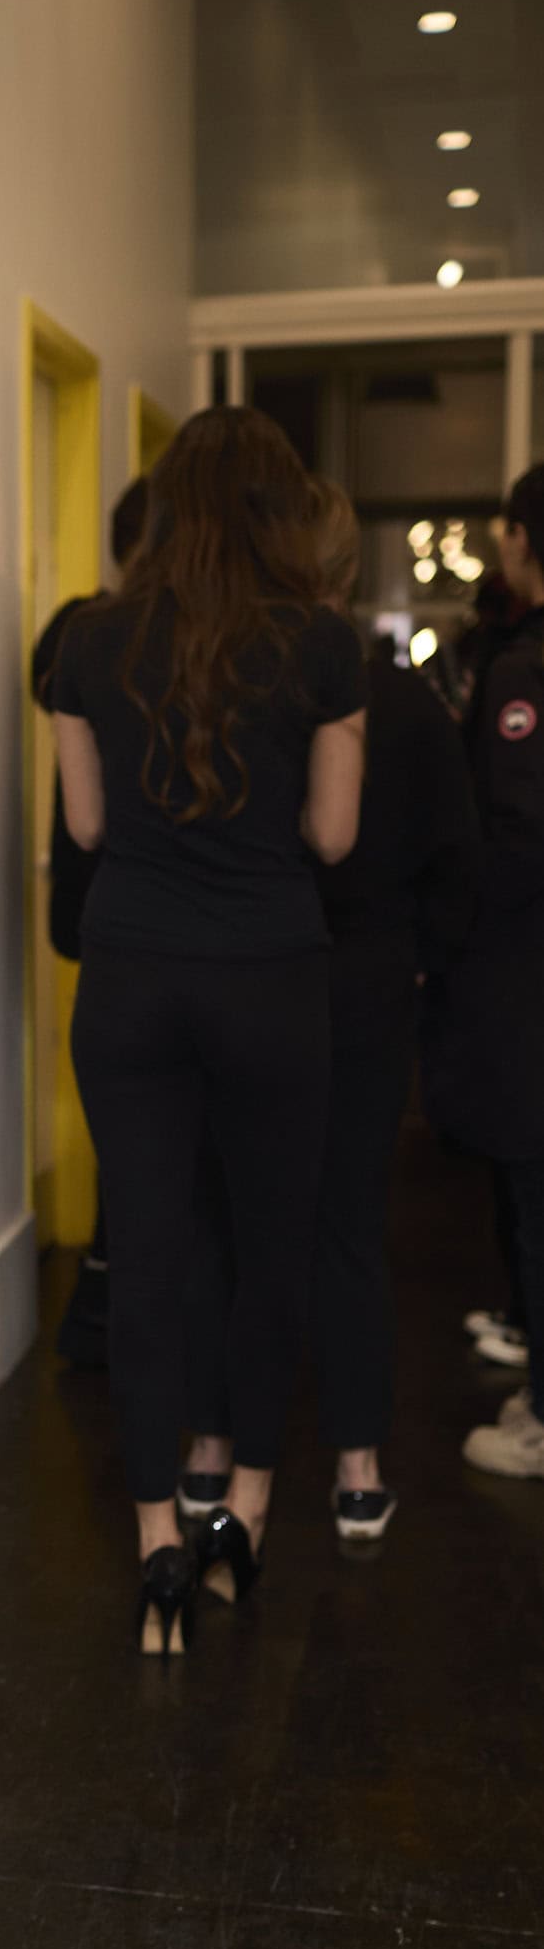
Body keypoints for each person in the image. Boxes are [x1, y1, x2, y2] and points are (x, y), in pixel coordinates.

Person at [50, 408, 366, 1651]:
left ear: (168, 507)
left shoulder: (87, 639)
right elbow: (332, 836)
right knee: (268, 1255)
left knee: (146, 1256)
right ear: (280, 512)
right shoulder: (321, 646)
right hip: (270, 979)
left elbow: (86, 828)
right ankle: (244, 1514)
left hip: (130, 979)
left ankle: (155, 1549)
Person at [182, 481, 479, 1539]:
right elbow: (458, 864)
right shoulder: (405, 704)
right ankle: (356, 1468)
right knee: (347, 1225)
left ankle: (210, 1450)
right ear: (348, 569)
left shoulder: (234, 690)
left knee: (231, 1217)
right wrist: (418, 967)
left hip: (258, 976)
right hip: (361, 990)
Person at [423, 462, 544, 1477]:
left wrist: (450, 935)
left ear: (519, 540)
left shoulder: (522, 669)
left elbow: (512, 840)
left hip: (523, 976)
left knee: (535, 1186)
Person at [31, 475, 149, 1368]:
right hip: (116, 908)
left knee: (129, 1122)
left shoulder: (82, 633)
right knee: (136, 1124)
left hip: (108, 910)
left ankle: (109, 1293)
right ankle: (111, 1291)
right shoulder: (96, 634)